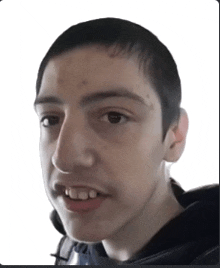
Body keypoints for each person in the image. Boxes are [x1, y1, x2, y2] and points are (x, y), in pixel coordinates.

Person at [34, 18, 219, 265]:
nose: (64, 158)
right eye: (50, 119)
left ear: (175, 136)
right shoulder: (70, 252)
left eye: (114, 117)